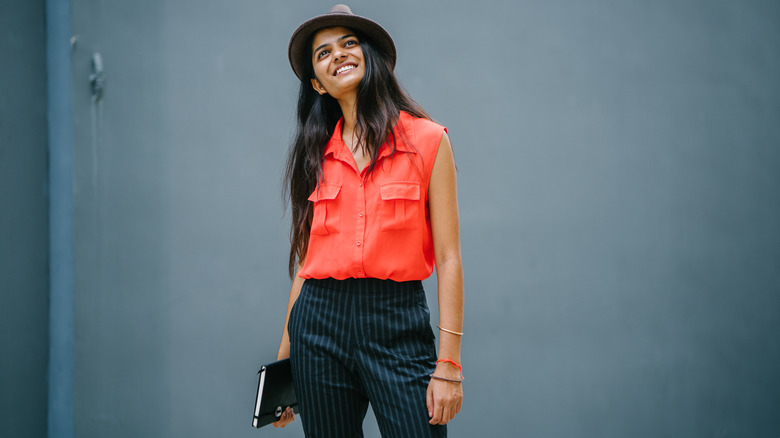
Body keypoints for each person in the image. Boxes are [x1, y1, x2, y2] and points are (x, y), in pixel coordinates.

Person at [273, 5, 464, 437]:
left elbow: (450, 259)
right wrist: (284, 366)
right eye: (323, 53)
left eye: (349, 43)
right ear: (317, 85)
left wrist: (448, 366)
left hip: (396, 322)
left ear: (369, 55)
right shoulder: (315, 156)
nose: (338, 54)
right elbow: (307, 268)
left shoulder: (429, 141)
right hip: (319, 327)